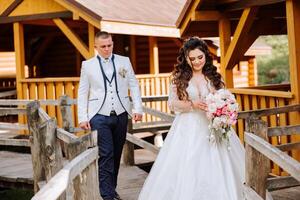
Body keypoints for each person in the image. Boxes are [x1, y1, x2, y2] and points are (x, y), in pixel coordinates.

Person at [138, 37, 273, 200]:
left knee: (221, 164)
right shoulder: (179, 78)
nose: (196, 62)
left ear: (206, 56)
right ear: (186, 58)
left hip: (214, 126)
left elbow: (223, 97)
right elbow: (172, 104)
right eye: (192, 58)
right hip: (188, 127)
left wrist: (224, 108)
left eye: (199, 57)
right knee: (190, 165)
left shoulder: (214, 76)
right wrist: (192, 104)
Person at [77, 31, 143, 200]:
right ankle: (106, 195)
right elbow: (83, 92)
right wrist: (82, 117)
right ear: (96, 47)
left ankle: (111, 190)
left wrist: (137, 109)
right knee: (106, 154)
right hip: (99, 115)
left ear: (112, 44)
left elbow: (134, 86)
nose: (107, 49)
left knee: (116, 153)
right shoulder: (88, 65)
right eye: (103, 46)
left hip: (121, 114)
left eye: (109, 45)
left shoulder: (124, 61)